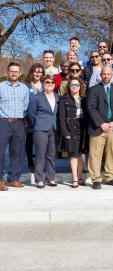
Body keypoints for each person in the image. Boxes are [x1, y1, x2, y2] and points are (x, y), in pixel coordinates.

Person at [86, 66, 113, 189]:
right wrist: (101, 123)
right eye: (104, 74)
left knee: (112, 153)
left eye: (108, 74)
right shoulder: (93, 90)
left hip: (112, 127)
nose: (106, 76)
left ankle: (110, 177)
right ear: (100, 75)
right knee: (95, 154)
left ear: (111, 75)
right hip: (98, 127)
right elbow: (91, 108)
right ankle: (96, 179)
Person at [0, 62, 30, 191]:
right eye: (11, 71)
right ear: (7, 72)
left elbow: (26, 105)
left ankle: (13, 179)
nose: (14, 73)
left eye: (16, 71)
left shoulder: (24, 88)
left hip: (19, 123)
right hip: (3, 122)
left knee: (17, 152)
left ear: (20, 73)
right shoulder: (1, 86)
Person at [27, 75, 59, 189]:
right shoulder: (37, 97)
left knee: (51, 155)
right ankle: (39, 179)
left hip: (54, 129)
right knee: (40, 155)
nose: (49, 84)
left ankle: (50, 178)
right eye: (47, 82)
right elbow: (30, 113)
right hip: (40, 129)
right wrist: (36, 123)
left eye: (52, 82)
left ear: (55, 84)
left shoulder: (57, 97)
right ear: (43, 83)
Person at [58, 78, 87, 188]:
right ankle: (75, 178)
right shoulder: (63, 99)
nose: (74, 87)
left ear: (80, 86)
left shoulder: (84, 99)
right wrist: (65, 132)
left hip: (82, 128)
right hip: (71, 128)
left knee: (80, 154)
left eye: (77, 85)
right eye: (72, 85)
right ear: (69, 87)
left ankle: (79, 177)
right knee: (73, 154)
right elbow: (61, 118)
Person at [25, 63, 45, 173]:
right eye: (36, 71)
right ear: (32, 72)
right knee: (29, 142)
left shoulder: (45, 85)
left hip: (42, 119)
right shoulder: (26, 85)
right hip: (29, 119)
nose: (37, 74)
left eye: (40, 72)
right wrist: (24, 118)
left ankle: (39, 164)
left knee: (40, 143)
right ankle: (30, 163)